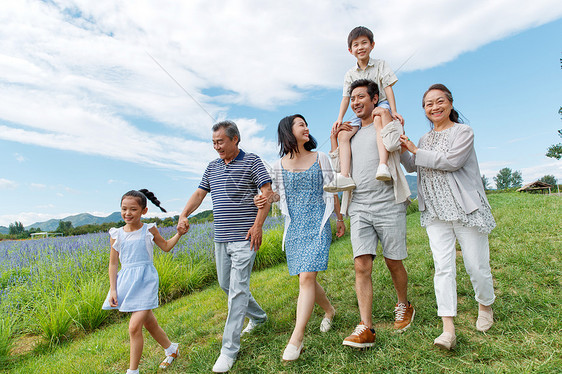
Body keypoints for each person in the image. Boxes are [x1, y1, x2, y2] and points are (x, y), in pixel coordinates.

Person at [400, 84, 496, 350]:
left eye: (439, 101)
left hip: (466, 209)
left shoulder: (463, 132)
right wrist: (400, 144)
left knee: (476, 265)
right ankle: (448, 328)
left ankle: (485, 306)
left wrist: (416, 151)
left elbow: (452, 161)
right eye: (429, 104)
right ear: (424, 110)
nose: (434, 107)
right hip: (435, 211)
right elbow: (412, 164)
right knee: (443, 268)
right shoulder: (423, 140)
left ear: (450, 103)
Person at [177, 120, 273, 373]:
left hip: (245, 237)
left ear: (235, 139)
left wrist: (258, 225)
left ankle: (229, 350)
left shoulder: (252, 161)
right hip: (221, 237)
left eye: (220, 142)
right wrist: (184, 213)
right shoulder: (212, 167)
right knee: (225, 284)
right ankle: (260, 317)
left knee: (238, 291)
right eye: (213, 143)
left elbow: (267, 193)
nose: (216, 147)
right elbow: (199, 194)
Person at [329, 79, 414, 349]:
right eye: (352, 98)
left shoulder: (384, 124)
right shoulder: (350, 133)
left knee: (393, 262)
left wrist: (387, 117)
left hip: (388, 203)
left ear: (374, 99)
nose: (355, 102)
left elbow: (393, 146)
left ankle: (404, 304)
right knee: (361, 265)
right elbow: (338, 167)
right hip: (360, 207)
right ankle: (365, 326)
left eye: (361, 97)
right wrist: (336, 138)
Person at [255, 114, 345, 361]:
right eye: (301, 125)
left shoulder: (321, 157)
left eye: (306, 124)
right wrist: (263, 198)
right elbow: (274, 196)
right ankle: (329, 311)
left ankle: (296, 338)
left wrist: (339, 218)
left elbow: (333, 189)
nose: (306, 128)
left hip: (318, 224)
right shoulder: (277, 166)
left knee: (306, 276)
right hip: (294, 227)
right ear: (288, 132)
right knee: (306, 277)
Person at [102, 189, 185, 374]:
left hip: (146, 281)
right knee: (150, 323)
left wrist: (178, 234)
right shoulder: (116, 234)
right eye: (124, 209)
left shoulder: (149, 229)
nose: (128, 213)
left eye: (133, 209)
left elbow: (165, 247)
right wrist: (113, 290)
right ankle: (172, 350)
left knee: (134, 327)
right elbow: (113, 264)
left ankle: (132, 371)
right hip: (127, 283)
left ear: (143, 211)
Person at [325, 26, 404, 193]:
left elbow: (388, 87)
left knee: (377, 119)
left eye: (364, 43)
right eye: (355, 44)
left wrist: (393, 110)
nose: (360, 47)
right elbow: (347, 97)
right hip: (361, 110)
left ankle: (383, 165)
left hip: (380, 103)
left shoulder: (381, 65)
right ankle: (345, 175)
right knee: (343, 134)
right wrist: (340, 118)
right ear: (350, 50)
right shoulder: (350, 74)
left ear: (372, 45)